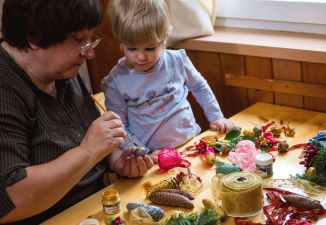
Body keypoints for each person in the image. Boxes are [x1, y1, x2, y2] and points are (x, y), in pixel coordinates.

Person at [0, 0, 154, 224]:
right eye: (79, 40)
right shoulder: (6, 87)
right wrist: (88, 151)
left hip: (99, 208)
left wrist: (116, 160)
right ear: (33, 38)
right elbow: (9, 199)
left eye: (92, 39)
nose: (90, 52)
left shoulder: (61, 70)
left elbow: (87, 135)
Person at [103, 0, 235, 160]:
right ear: (121, 42)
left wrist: (216, 116)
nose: (141, 56)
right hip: (153, 158)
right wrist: (143, 153)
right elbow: (120, 128)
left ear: (164, 38)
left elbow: (199, 87)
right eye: (132, 48)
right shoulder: (115, 82)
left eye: (150, 48)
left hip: (192, 144)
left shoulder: (177, 61)